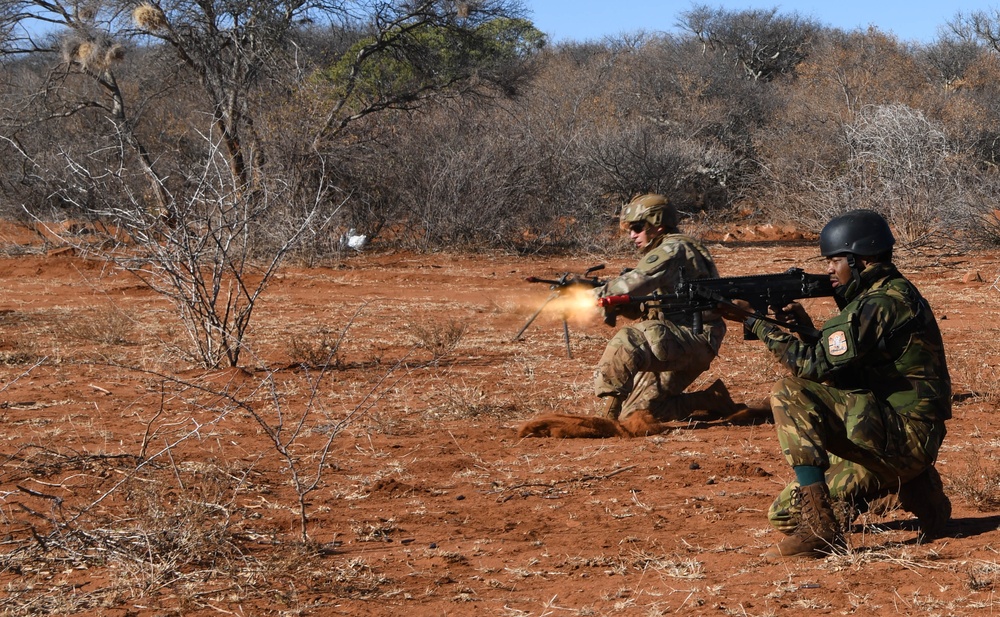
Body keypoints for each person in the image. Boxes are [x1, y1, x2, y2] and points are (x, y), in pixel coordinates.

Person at [718, 209, 952, 558]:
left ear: (864, 258)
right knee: (783, 514)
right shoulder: (892, 293)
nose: (828, 269)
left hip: (902, 437)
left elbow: (809, 367)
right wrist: (807, 328)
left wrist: (756, 323)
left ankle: (820, 530)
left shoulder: (879, 304)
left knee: (790, 393)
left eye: (835, 260)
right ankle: (913, 485)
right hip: (898, 436)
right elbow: (843, 366)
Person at [592, 193, 738, 425]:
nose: (632, 235)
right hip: (678, 339)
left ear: (657, 225)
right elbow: (649, 299)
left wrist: (594, 295)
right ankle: (709, 400)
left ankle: (605, 420)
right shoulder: (672, 249)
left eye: (638, 227)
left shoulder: (672, 249)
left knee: (629, 339)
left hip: (692, 337)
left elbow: (638, 281)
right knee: (638, 415)